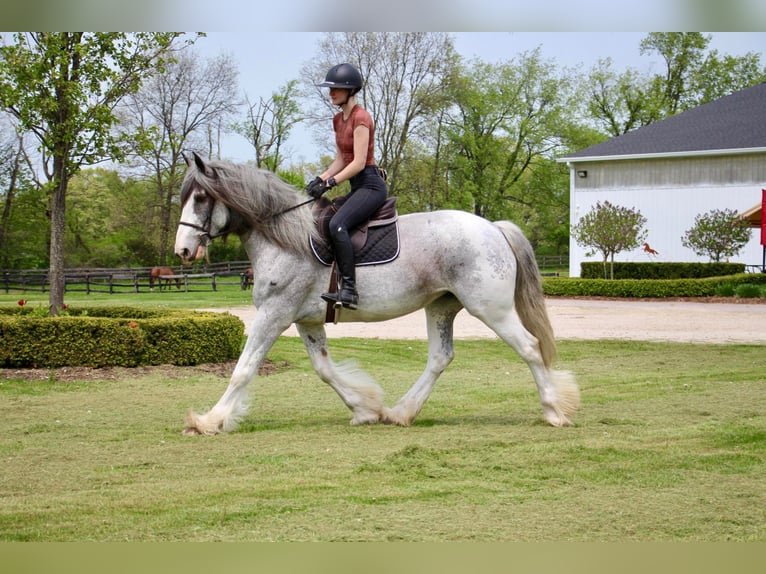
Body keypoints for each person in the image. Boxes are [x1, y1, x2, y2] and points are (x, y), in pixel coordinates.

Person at [305, 63, 388, 310]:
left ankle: (350, 290)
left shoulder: (361, 118)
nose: (331, 93)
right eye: (330, 89)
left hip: (371, 185)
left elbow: (359, 162)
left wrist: (331, 182)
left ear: (350, 90)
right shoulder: (338, 119)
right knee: (325, 217)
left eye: (336, 89)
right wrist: (320, 179)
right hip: (356, 185)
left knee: (337, 224)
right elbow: (342, 158)